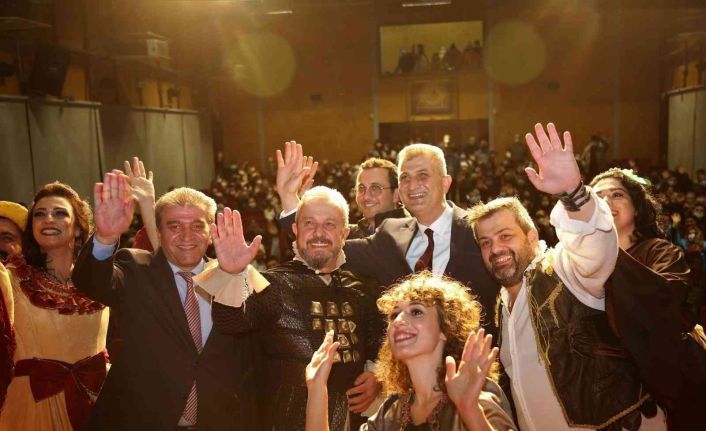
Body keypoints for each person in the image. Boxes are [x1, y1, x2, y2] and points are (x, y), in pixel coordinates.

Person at [468, 123, 663, 430]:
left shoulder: (563, 268)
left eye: (505, 236)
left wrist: (573, 193)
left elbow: (595, 242)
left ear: (532, 236)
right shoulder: (502, 306)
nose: (496, 249)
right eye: (485, 242)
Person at [72, 174, 256, 431]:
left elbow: (259, 337)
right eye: (174, 226)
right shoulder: (135, 269)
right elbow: (91, 281)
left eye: (197, 226)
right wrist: (104, 238)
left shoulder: (233, 274)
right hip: (141, 422)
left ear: (211, 233)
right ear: (158, 231)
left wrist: (237, 275)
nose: (186, 236)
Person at [196, 186, 383, 431]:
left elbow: (379, 346)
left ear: (344, 233)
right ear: (295, 230)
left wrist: (378, 375)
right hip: (285, 420)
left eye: (329, 224)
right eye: (309, 223)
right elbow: (231, 323)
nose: (319, 233)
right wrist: (230, 274)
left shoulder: (362, 289)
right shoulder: (272, 284)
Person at [277, 142, 499, 335]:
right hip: (405, 367)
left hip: (474, 364)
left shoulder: (479, 230)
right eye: (405, 178)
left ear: (446, 183)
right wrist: (288, 198)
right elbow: (326, 248)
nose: (413, 185)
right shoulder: (389, 235)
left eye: (423, 176)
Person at [305, 272, 516, 431]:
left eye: (416, 312)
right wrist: (317, 388)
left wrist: (469, 408)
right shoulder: (392, 411)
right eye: (393, 315)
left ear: (445, 329)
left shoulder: (477, 396)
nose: (398, 321)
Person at [591, 168, 706, 430]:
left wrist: (608, 252)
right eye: (597, 197)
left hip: (665, 390)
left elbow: (664, 305)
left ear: (637, 207)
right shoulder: (577, 264)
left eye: (617, 194)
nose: (606, 201)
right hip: (605, 392)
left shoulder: (660, 252)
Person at [0, 182, 109, 431]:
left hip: (97, 403)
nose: (48, 219)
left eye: (59, 213)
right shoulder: (11, 278)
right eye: (40, 214)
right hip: (32, 407)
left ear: (78, 228)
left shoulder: (101, 279)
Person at [350, 157, 406, 238]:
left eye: (375, 188)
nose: (366, 197)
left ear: (396, 195)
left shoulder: (411, 235)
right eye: (361, 188)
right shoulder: (346, 236)